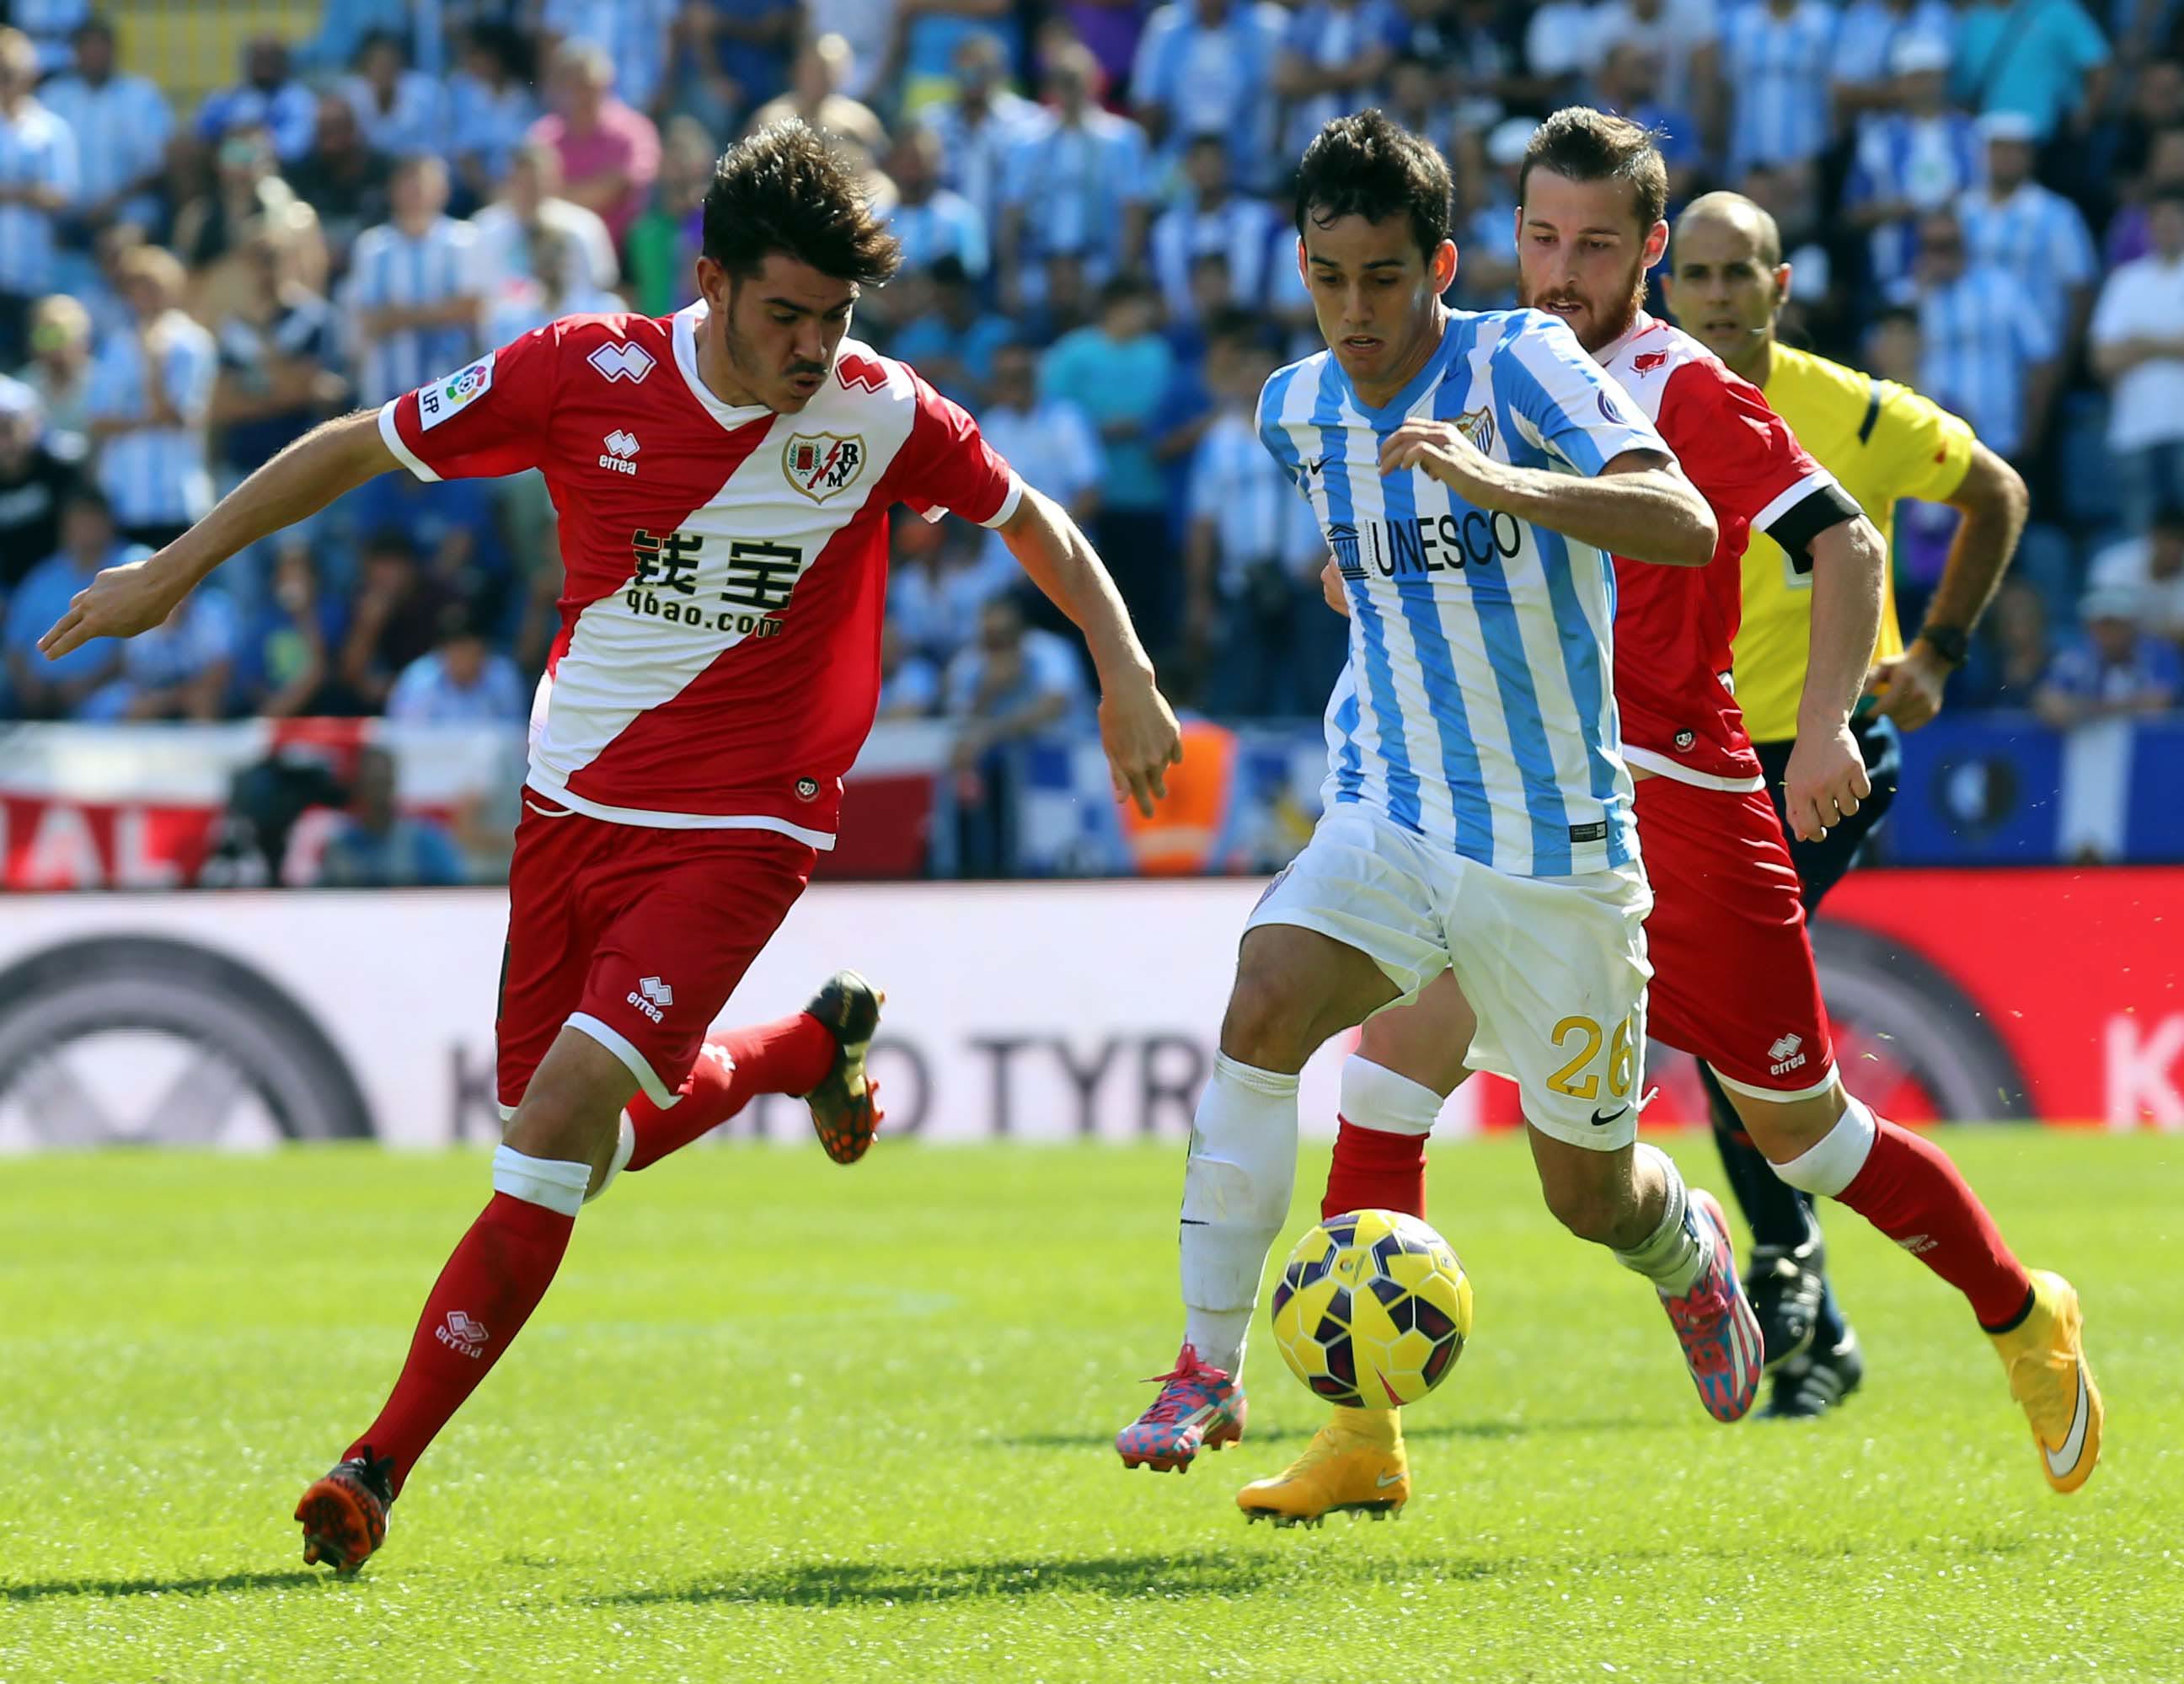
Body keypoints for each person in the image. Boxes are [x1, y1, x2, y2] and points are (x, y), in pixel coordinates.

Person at [40, 119, 1180, 1575]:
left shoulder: (880, 411)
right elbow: (355, 445)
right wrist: (172, 570)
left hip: (751, 820)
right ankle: (790, 1053)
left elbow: (1037, 523)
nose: (810, 347)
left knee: (554, 1127)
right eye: (784, 314)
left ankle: (372, 1464)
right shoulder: (577, 371)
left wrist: (1123, 667)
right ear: (706, 280)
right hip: (573, 805)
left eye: (834, 320)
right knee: (577, 1138)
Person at [1236, 115, 2096, 1528]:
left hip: (1686, 808)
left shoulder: (1675, 389)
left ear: (1650, 253)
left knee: (1806, 1134)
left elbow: (1846, 543)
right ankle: (1361, 1430)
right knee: (1390, 1068)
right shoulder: (1487, 362)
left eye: (1592, 245)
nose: (1561, 271)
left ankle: (2018, 1308)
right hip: (1506, 801)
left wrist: (1821, 732)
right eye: (1540, 239)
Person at [1112, 111, 1750, 1488]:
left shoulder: (1519, 359)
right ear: (1300, 267)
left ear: (1442, 265)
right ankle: (1205, 1367)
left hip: (1557, 852)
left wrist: (1493, 474)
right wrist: (1377, 570)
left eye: (1386, 278)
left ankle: (1683, 1247)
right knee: (1261, 1002)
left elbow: (1684, 520)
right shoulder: (1291, 409)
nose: (1357, 311)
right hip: (1394, 813)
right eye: (1330, 278)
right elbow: (1386, 558)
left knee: (1588, 1192)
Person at [1667, 185, 2041, 1412]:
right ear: (1669, 289)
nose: (1717, 296)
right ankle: (1805, 1298)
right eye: (1699, 275)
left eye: (1741, 274)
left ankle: (1798, 1290)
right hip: (1694, 758)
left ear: (1781, 289)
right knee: (1731, 1038)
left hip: (1828, 756)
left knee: (1734, 1029)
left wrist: (1937, 651)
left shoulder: (1852, 411)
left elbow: (1996, 491)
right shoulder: (1633, 404)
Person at [314, 743, 466, 887]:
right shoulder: (338, 848)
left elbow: (456, 895)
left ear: (394, 783)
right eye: (371, 783)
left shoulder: (425, 841)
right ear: (356, 786)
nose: (379, 792)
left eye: (384, 782)